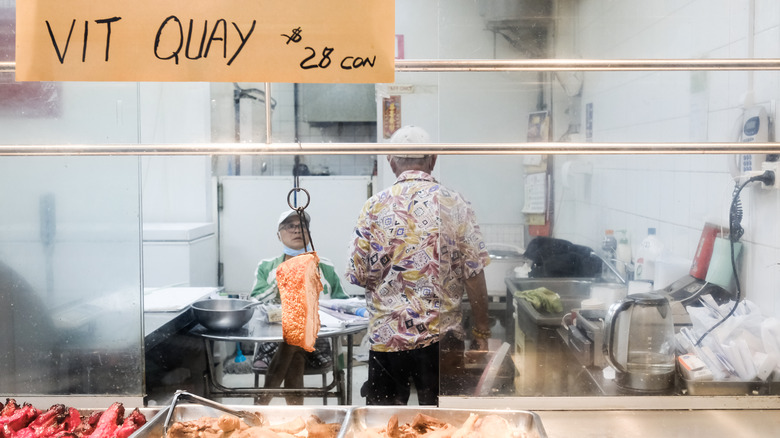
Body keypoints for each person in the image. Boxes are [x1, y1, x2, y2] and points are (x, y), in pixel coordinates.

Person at [345, 125, 492, 405]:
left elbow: (359, 274)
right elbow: (474, 275)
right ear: (433, 159)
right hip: (441, 341)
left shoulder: (373, 207)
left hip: (387, 339)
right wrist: (482, 333)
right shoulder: (455, 204)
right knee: (443, 425)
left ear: (391, 162)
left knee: (384, 426)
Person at [250, 209, 349, 404]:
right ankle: (296, 412)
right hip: (273, 340)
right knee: (293, 345)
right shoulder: (267, 267)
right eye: (290, 226)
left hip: (317, 342)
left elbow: (343, 303)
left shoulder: (325, 266)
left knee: (294, 339)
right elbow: (256, 301)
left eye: (302, 226)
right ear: (278, 235)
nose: (297, 230)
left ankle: (262, 402)